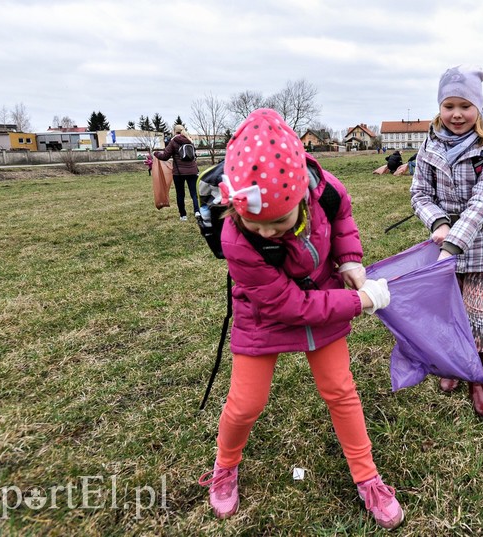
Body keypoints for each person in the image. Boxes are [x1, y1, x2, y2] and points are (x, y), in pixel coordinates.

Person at [197, 109, 404, 530]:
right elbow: (288, 307)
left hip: (324, 292)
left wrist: (350, 259)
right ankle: (224, 466)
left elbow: (342, 213)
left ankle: (367, 477)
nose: (270, 233)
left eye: (279, 222)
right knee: (245, 404)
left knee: (341, 390)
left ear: (301, 199)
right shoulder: (236, 240)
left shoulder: (323, 188)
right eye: (258, 224)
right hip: (265, 316)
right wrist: (360, 301)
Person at [410, 65, 483, 418]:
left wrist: (454, 242)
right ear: (439, 108)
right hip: (441, 241)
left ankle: (476, 378)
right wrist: (437, 221)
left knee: (475, 314)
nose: (456, 114)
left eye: (464, 106)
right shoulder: (429, 144)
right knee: (449, 309)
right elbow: (419, 192)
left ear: (477, 107)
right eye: (448, 105)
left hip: (479, 243)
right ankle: (452, 364)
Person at [154, 124, 199, 221]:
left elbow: (165, 156)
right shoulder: (190, 140)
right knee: (194, 193)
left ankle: (183, 215)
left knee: (180, 194)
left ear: (174, 131)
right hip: (192, 171)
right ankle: (197, 211)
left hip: (179, 173)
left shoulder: (173, 141)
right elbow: (195, 156)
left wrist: (155, 153)